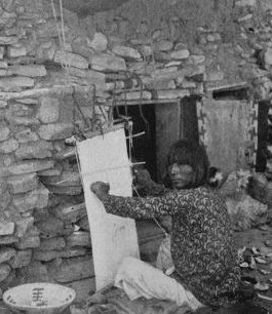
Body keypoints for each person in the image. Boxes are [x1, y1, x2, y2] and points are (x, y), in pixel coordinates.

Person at [90, 139, 241, 312]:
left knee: (128, 267)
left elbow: (139, 208)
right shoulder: (209, 195)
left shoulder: (188, 199)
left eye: (182, 165)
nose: (173, 171)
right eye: (171, 164)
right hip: (225, 291)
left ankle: (168, 298)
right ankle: (165, 284)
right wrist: (148, 184)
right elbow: (170, 197)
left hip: (202, 298)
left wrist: (104, 196)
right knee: (167, 245)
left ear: (197, 168)